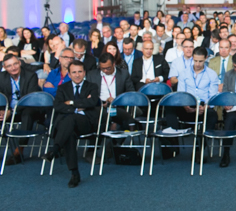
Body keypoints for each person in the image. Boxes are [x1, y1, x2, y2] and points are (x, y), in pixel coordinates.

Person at [43, 60, 99, 188]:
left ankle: (55, 149)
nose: (77, 75)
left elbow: (92, 102)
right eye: (74, 72)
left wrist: (70, 103)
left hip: (86, 123)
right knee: (69, 132)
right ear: (69, 74)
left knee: (70, 119)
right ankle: (74, 174)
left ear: (84, 73)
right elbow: (57, 106)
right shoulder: (63, 88)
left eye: (80, 72)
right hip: (67, 126)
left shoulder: (92, 86)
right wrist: (80, 104)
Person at [0, 53, 43, 165]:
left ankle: (19, 151)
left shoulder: (30, 75)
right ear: (4, 68)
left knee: (27, 114)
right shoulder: (1, 78)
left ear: (19, 63)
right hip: (8, 110)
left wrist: (12, 111)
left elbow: (30, 99)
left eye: (15, 64)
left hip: (28, 109)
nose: (13, 68)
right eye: (9, 66)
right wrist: (2, 110)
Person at [86, 53, 136, 130]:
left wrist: (117, 100)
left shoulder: (123, 74)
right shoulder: (91, 75)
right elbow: (87, 94)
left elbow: (131, 93)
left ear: (114, 64)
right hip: (99, 107)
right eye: (102, 68)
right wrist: (98, 102)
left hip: (117, 106)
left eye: (108, 68)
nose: (105, 70)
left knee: (118, 117)